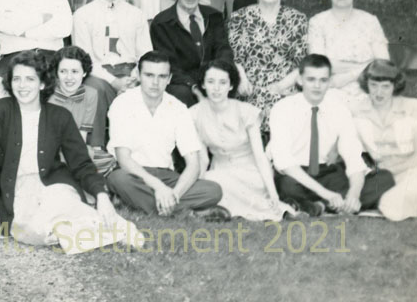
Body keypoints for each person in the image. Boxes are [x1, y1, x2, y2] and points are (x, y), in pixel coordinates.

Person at [0, 51, 140, 253]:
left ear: (42, 84)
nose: (22, 85)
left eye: (30, 79)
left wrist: (101, 195)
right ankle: (89, 234)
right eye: (17, 79)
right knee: (35, 229)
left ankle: (109, 230)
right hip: (19, 191)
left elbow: (81, 163)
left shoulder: (60, 116)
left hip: (54, 184)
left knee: (68, 209)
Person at [268, 54, 395, 216]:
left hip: (327, 172)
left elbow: (353, 158)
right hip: (296, 174)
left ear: (329, 82)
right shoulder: (282, 109)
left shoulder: (339, 109)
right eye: (311, 79)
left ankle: (318, 206)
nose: (317, 86)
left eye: (323, 80)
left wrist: (354, 194)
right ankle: (326, 203)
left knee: (384, 179)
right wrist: (326, 193)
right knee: (287, 186)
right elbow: (284, 162)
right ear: (300, 80)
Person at [105, 51, 225, 218]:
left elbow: (193, 165)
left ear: (169, 79)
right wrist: (159, 188)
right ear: (138, 75)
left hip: (166, 176)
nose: (155, 82)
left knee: (213, 190)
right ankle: (184, 211)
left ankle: (143, 204)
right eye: (149, 75)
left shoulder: (178, 108)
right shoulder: (123, 103)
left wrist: (174, 194)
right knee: (118, 179)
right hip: (133, 174)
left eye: (162, 76)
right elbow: (124, 159)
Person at [190, 59, 289, 221]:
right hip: (219, 171)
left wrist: (273, 193)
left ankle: (274, 207)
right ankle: (262, 210)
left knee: (220, 183)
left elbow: (260, 157)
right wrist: (199, 187)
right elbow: (203, 159)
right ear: (203, 84)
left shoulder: (246, 111)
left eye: (223, 82)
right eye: (211, 82)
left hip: (251, 172)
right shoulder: (194, 114)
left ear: (231, 86)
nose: (216, 88)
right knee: (211, 179)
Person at [228, 0, 308, 128]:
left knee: (283, 110)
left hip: (285, 86)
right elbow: (233, 56)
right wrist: (241, 79)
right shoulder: (239, 17)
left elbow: (303, 63)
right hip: (249, 86)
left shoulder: (297, 19)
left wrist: (280, 86)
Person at [149, 0, 232, 107]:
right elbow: (169, 66)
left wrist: (215, 80)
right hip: (183, 84)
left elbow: (223, 50)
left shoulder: (214, 17)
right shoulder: (161, 23)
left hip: (213, 79)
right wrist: (194, 87)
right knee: (182, 93)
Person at [71, 0, 152, 93]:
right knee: (94, 89)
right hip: (99, 75)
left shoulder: (137, 14)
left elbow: (146, 55)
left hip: (131, 73)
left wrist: (134, 77)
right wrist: (113, 81)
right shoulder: (82, 15)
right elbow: (85, 60)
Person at [352, 59, 417, 221]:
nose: (379, 92)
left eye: (385, 86)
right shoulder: (356, 110)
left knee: (391, 205)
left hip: (411, 172)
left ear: (395, 86)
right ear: (366, 84)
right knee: (388, 204)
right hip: (382, 177)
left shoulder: (412, 108)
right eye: (374, 85)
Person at [307, 0, 390, 92]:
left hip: (369, 90)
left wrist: (349, 76)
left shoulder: (370, 21)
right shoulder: (317, 22)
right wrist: (367, 65)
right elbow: (319, 65)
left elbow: (383, 63)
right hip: (330, 90)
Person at [48, 47, 115, 170]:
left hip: (75, 150)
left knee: (109, 161)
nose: (69, 77)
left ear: (84, 72)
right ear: (56, 73)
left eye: (75, 71)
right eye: (63, 71)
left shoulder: (91, 94)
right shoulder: (49, 97)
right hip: (51, 151)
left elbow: (82, 136)